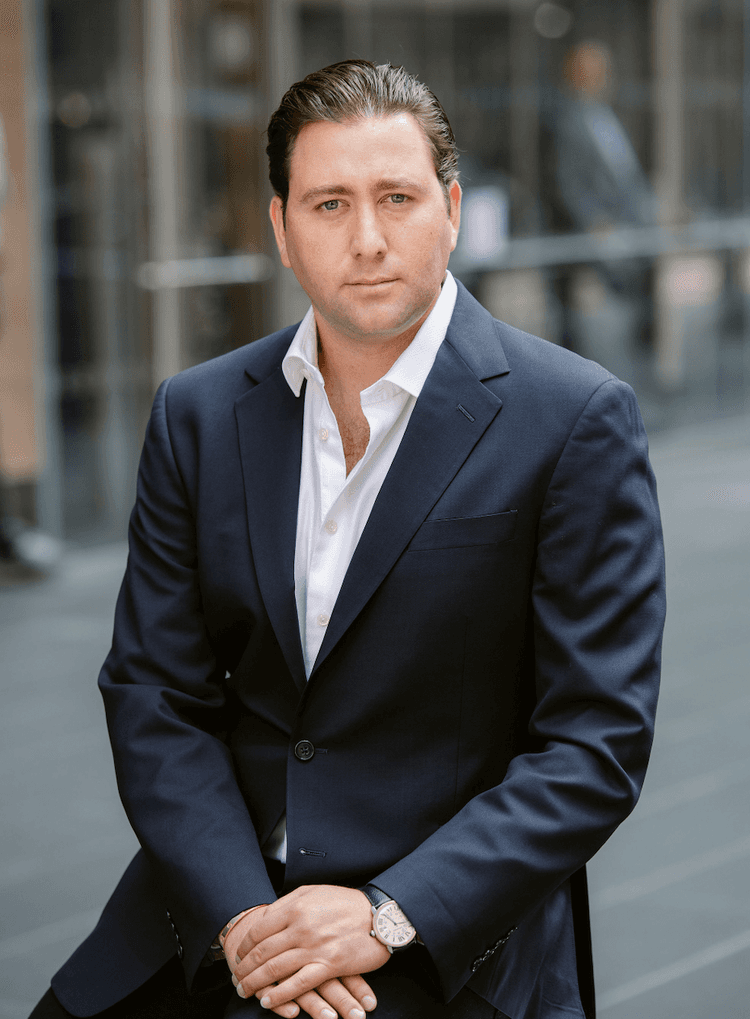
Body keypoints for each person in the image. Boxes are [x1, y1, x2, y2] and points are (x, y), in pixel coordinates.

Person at [32, 60, 665, 1019]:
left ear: (452, 210)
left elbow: (594, 743)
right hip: (219, 908)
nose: (367, 238)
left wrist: (387, 915)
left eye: (397, 198)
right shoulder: (198, 414)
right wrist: (246, 918)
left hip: (441, 935)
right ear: (281, 229)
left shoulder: (574, 419)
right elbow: (155, 694)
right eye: (329, 204)